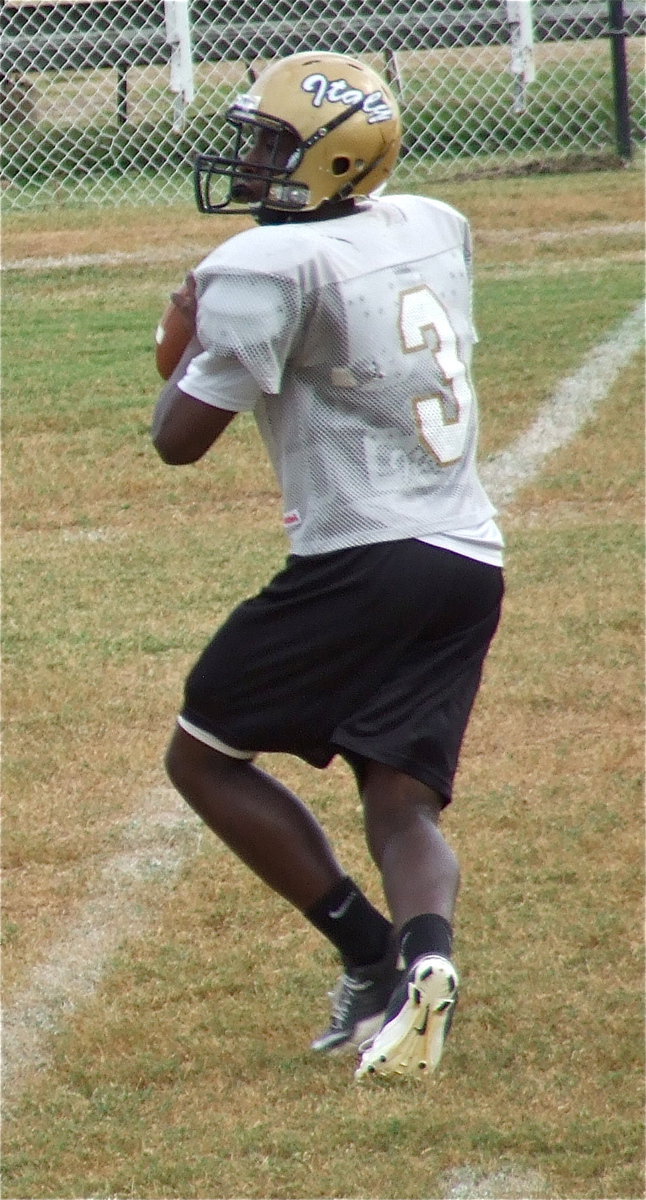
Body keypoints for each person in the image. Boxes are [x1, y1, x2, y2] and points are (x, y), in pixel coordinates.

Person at [151, 50, 504, 1080]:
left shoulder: (261, 271)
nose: (252, 163)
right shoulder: (431, 223)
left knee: (202, 754)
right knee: (400, 797)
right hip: (464, 553)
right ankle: (424, 960)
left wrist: (178, 325)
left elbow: (178, 438)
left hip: (363, 555)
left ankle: (367, 953)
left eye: (271, 145)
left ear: (337, 157)